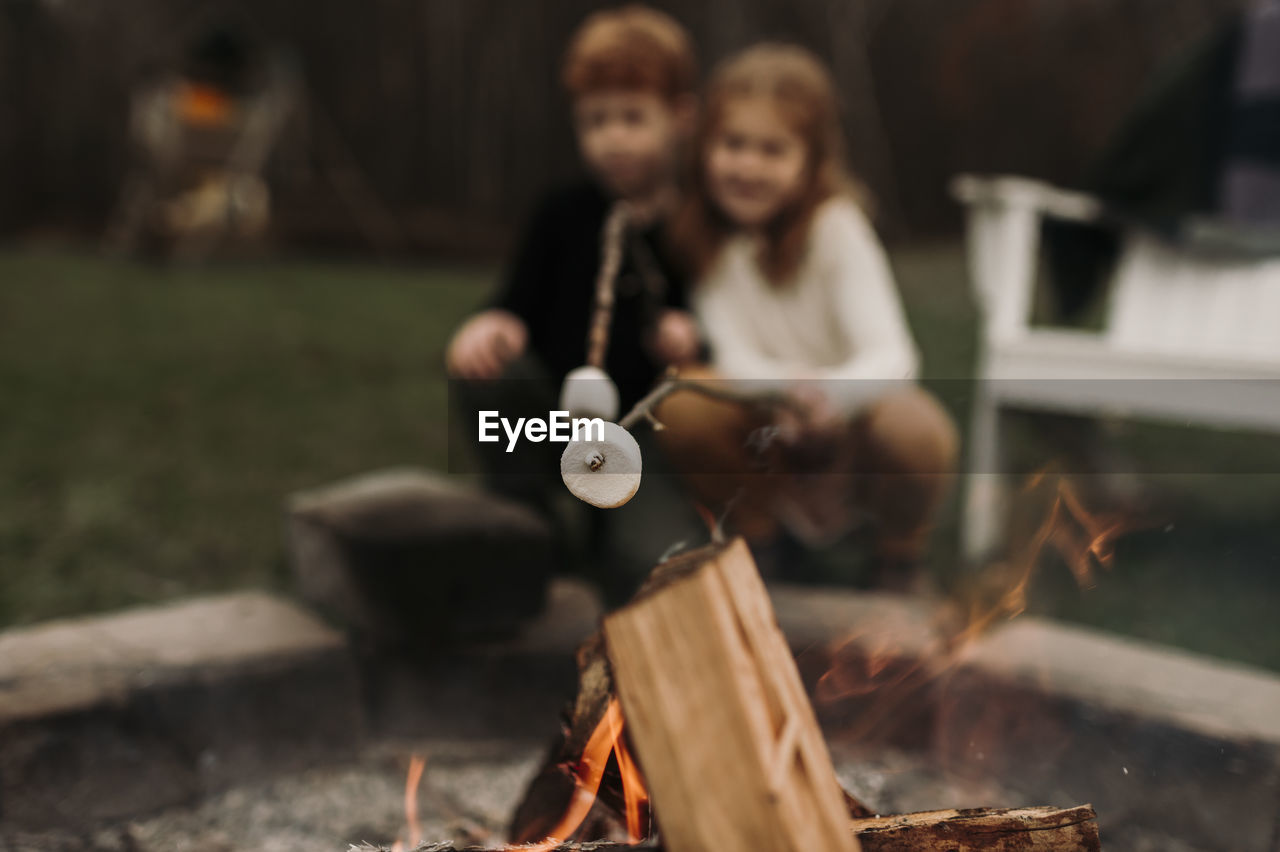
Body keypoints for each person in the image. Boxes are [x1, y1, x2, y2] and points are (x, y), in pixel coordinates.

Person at [659, 44, 958, 591]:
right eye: (733, 144)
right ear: (705, 148)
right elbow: (732, 354)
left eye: (773, 150)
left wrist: (826, 400)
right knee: (683, 401)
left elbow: (893, 356)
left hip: (850, 426)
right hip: (767, 425)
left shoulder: (837, 227)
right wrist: (787, 396)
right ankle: (760, 545)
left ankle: (898, 565)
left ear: (810, 161)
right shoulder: (706, 239)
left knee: (918, 429)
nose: (747, 166)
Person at [445, 5, 704, 603]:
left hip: (645, 435)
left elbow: (718, 324)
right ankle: (526, 521)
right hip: (555, 420)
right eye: (595, 121)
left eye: (633, 117)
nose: (613, 137)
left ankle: (608, 533)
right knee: (490, 370)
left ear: (680, 117)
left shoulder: (695, 224)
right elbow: (518, 303)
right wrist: (492, 322)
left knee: (655, 564)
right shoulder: (561, 213)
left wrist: (692, 335)